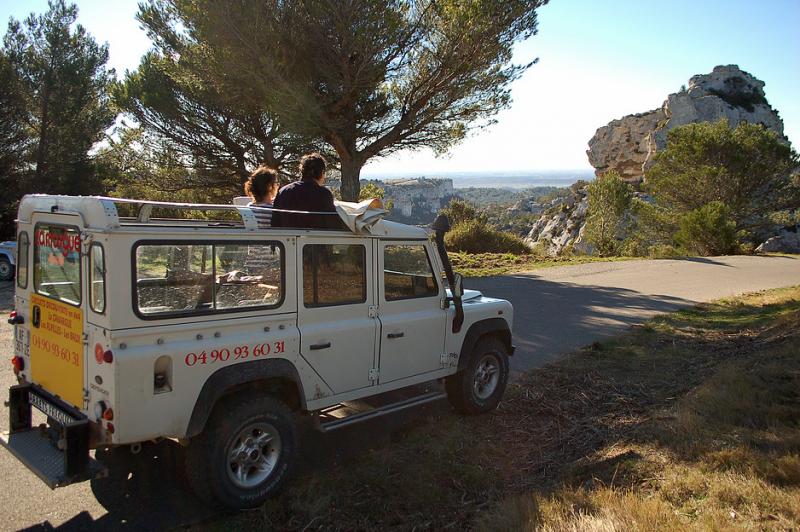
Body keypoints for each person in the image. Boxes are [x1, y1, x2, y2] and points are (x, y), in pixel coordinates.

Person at [271, 153, 342, 229]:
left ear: (302, 171)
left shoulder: (283, 192)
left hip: (284, 239)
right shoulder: (324, 194)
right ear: (322, 172)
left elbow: (275, 223)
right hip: (315, 240)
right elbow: (332, 224)